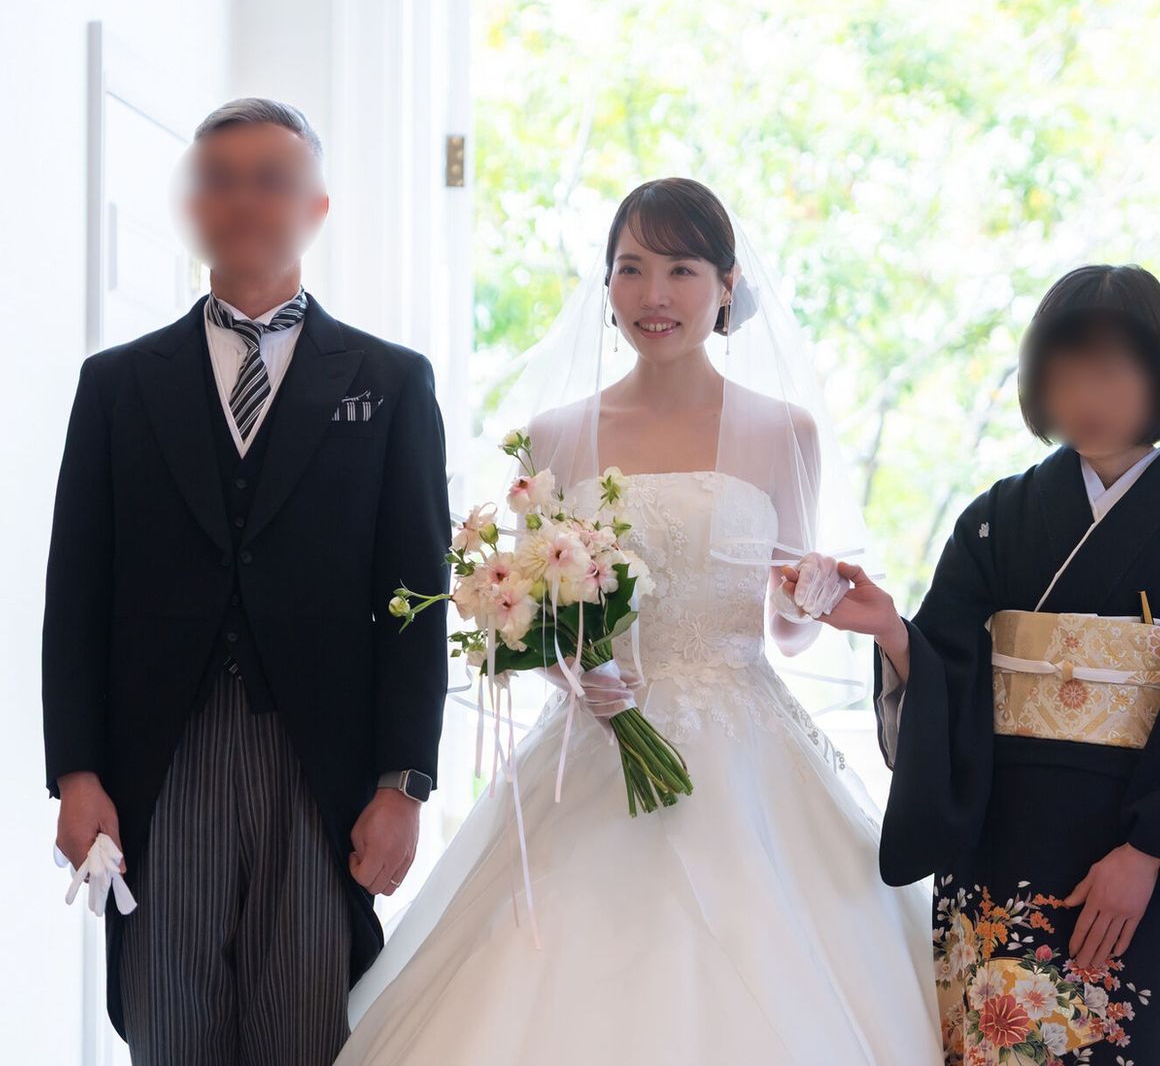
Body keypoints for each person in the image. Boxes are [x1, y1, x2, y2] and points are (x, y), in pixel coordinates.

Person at [336, 178, 941, 1065]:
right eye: (631, 269)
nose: (654, 295)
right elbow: (532, 616)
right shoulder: (556, 433)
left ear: (727, 285)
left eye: (681, 270)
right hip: (593, 744)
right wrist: (577, 674)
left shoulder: (785, 431)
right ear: (608, 285)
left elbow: (788, 630)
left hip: (746, 755)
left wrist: (807, 597)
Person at [42, 98, 451, 1066]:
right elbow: (77, 593)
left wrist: (404, 782)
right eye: (219, 181)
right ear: (192, 206)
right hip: (162, 760)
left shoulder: (391, 382)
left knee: (305, 1028)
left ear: (314, 206)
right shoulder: (117, 384)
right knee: (169, 1023)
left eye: (270, 180)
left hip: (319, 765)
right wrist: (76, 770)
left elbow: (415, 599)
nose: (244, 201)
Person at [823, 264, 1160, 1063]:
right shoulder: (996, 519)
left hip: (1133, 841)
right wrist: (892, 632)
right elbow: (949, 669)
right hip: (1003, 843)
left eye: (1111, 369)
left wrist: (1148, 847)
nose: (1086, 394)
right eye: (1065, 371)